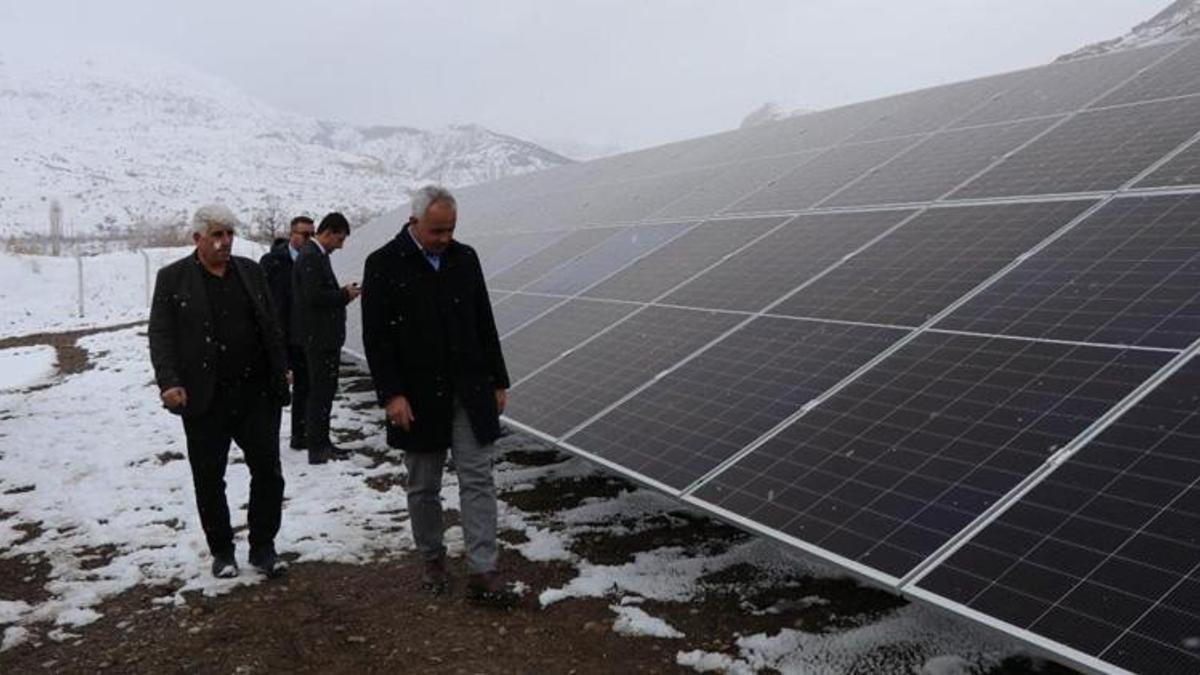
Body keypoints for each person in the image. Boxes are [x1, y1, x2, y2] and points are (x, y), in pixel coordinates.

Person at [361, 185, 515, 605]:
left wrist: (498, 379)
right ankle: (432, 558)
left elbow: (484, 320)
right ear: (414, 223)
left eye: (450, 229)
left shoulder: (465, 259)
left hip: (469, 386)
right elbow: (376, 339)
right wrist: (392, 394)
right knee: (424, 483)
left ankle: (484, 569)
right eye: (436, 231)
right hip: (417, 394)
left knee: (478, 478)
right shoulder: (383, 264)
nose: (444, 238)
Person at [148, 204, 290, 579]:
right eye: (216, 235)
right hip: (204, 398)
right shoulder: (173, 279)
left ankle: (263, 547)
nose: (225, 242)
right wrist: (169, 381)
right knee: (209, 478)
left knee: (269, 472)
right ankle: (223, 551)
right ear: (197, 238)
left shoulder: (250, 271)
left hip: (256, 394)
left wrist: (281, 366)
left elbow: (270, 322)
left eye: (229, 234)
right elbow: (161, 335)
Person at [292, 212, 360, 465]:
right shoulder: (311, 256)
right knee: (320, 393)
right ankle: (318, 447)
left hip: (320, 337)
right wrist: (344, 295)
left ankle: (321, 443)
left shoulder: (315, 255)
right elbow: (314, 297)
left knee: (322, 392)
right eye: (339, 239)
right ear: (328, 232)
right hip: (319, 338)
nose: (341, 245)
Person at [259, 216, 316, 451]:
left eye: (312, 234)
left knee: (304, 386)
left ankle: (299, 435)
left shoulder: (313, 260)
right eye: (304, 234)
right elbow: (263, 297)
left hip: (301, 334)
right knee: (274, 388)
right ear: (292, 234)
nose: (308, 239)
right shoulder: (273, 261)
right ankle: (265, 438)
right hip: (277, 333)